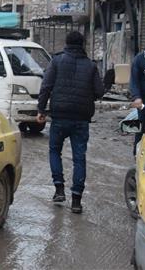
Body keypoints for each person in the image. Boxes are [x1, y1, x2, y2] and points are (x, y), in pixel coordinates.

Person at [36, 31, 104, 214]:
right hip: (81, 118)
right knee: (79, 158)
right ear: (82, 44)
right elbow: (99, 91)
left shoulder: (57, 61)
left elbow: (46, 86)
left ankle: (59, 189)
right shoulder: (90, 66)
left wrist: (41, 110)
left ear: (66, 42)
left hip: (59, 115)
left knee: (54, 151)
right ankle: (76, 201)